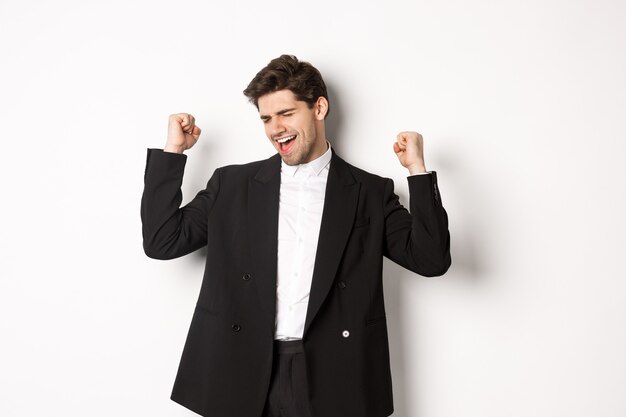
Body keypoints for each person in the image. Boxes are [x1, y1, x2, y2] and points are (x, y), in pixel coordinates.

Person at [141, 54, 451, 417]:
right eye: (267, 119)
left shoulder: (368, 191)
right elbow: (162, 241)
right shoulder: (232, 184)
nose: (276, 129)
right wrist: (173, 151)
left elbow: (431, 260)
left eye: (286, 114)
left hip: (334, 374)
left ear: (319, 108)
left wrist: (417, 170)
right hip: (240, 367)